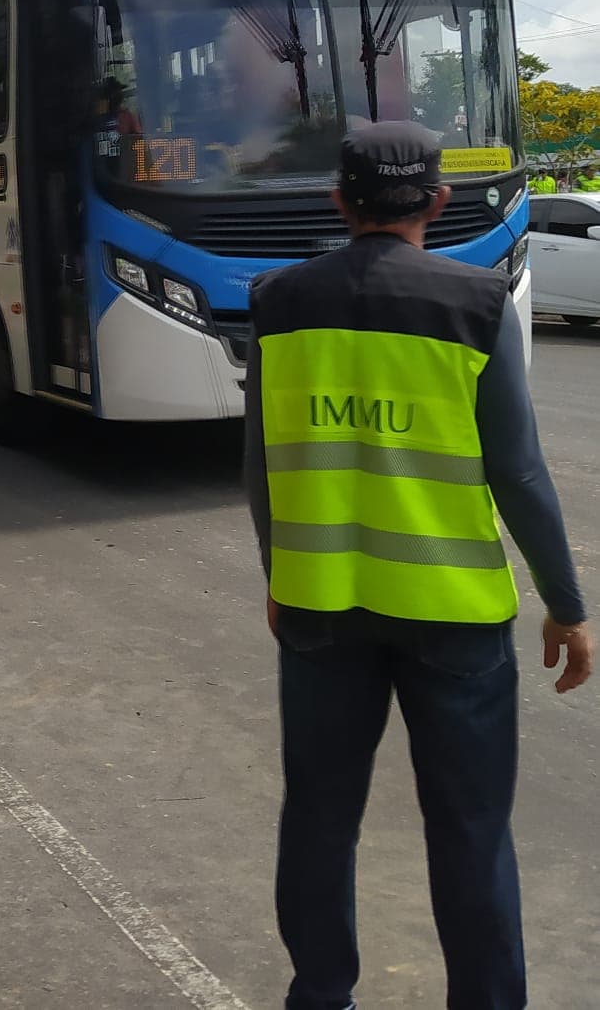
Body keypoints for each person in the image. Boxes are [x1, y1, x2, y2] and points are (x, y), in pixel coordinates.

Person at [245, 121, 591, 1010]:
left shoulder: (278, 299)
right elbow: (517, 472)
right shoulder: (474, 303)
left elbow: (261, 465)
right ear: (437, 201)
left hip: (322, 604)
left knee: (320, 820)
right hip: (453, 617)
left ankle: (320, 996)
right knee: (471, 830)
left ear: (338, 201)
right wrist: (567, 604)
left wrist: (279, 575)